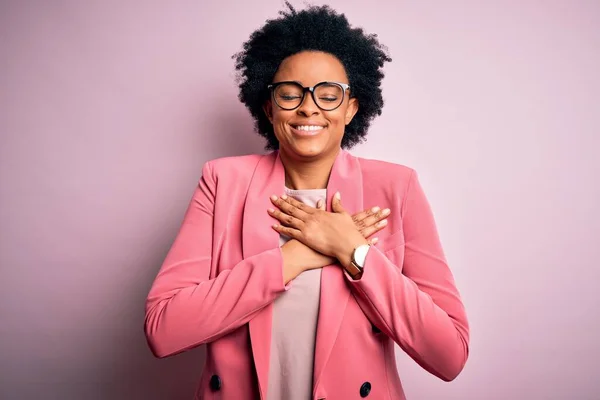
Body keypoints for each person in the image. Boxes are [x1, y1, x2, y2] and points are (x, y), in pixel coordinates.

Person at [144, 3, 469, 399]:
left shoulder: (396, 188)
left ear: (352, 108)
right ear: (268, 107)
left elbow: (449, 354)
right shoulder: (222, 181)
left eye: (328, 94)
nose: (308, 106)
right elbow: (163, 329)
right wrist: (294, 257)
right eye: (289, 93)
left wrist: (353, 251)